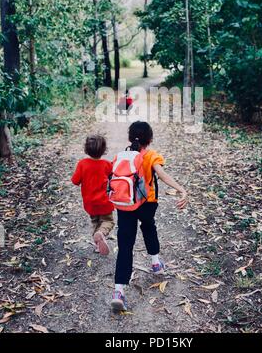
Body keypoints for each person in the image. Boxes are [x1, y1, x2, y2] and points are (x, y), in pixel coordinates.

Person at [111, 121, 188, 311]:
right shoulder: (152, 155)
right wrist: (181, 190)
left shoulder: (121, 156)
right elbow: (161, 175)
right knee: (148, 227)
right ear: (150, 139)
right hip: (147, 203)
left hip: (125, 204)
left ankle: (118, 291)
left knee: (125, 245)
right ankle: (155, 263)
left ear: (130, 138)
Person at [71, 134, 114, 255]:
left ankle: (97, 245)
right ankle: (102, 233)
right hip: (104, 201)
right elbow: (113, 174)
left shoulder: (82, 164)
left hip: (90, 202)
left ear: (86, 149)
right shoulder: (106, 164)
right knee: (108, 221)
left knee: (95, 221)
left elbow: (75, 181)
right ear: (104, 150)